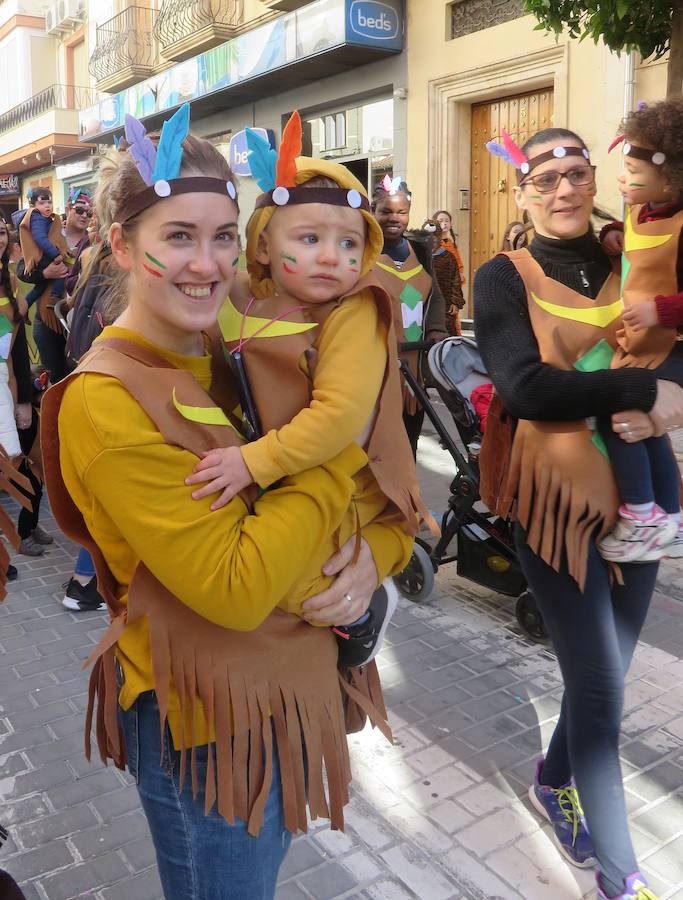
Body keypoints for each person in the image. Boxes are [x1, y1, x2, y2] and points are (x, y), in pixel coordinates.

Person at [41, 105, 412, 900]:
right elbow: (238, 588)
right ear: (121, 245)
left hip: (284, 690)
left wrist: (372, 562)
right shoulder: (104, 402)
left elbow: (388, 513)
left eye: (221, 235)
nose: (207, 265)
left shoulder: (241, 339)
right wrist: (331, 444)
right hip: (203, 726)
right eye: (178, 236)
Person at [475, 126, 683, 900]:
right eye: (545, 177)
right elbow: (524, 388)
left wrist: (672, 402)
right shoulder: (500, 276)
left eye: (575, 171)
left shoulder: (622, 255)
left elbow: (669, 348)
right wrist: (639, 394)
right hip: (550, 504)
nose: (563, 187)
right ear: (522, 192)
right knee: (599, 687)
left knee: (610, 672)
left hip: (635, 505)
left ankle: (552, 776)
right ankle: (620, 874)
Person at [188, 116, 427, 666]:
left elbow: (340, 414)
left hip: (339, 488)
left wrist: (254, 461)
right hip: (281, 481)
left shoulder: (352, 311)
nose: (330, 257)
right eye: (309, 238)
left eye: (348, 243)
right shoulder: (243, 296)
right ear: (264, 245)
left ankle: (369, 614)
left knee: (311, 592)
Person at [593, 99, 683, 563]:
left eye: (632, 170)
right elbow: (631, 237)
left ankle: (642, 514)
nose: (622, 180)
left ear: (670, 179)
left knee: (622, 418)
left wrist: (662, 310)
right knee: (650, 434)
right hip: (638, 345)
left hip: (671, 348)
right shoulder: (641, 210)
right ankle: (671, 516)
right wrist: (612, 234)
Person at [371, 178, 448, 454]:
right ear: (373, 209)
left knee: (408, 445)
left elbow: (436, 295)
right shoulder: (361, 250)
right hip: (374, 371)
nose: (394, 218)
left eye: (401, 212)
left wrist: (436, 330)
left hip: (413, 370)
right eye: (386, 211)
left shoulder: (420, 251)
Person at [0, 217, 51, 559]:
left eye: (1, 231)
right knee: (13, 463)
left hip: (10, 383)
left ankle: (27, 527)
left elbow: (16, 343)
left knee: (33, 457)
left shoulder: (9, 282)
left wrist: (21, 398)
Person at [423, 217, 464, 335]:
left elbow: (456, 280)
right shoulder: (418, 256)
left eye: (435, 236)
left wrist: (456, 301)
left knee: (446, 331)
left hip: (445, 303)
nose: (431, 240)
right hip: (425, 302)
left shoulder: (449, 257)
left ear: (440, 237)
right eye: (427, 236)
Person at [434, 209, 466, 286]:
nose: (444, 223)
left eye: (447, 221)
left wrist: (460, 272)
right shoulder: (433, 243)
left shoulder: (451, 243)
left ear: (451, 225)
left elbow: (457, 260)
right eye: (440, 221)